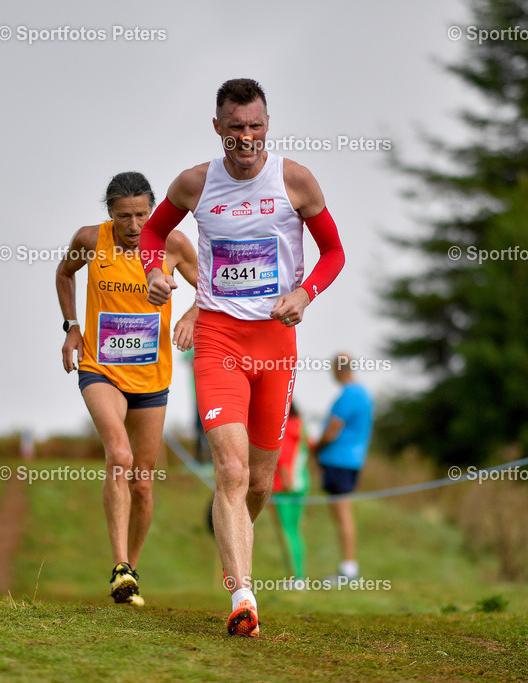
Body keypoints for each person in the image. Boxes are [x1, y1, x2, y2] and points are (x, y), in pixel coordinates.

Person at [140, 78, 345, 637]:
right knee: (228, 470)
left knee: (259, 483)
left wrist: (305, 293)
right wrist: (156, 275)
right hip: (220, 339)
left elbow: (334, 252)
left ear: (267, 125)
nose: (246, 138)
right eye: (235, 128)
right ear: (217, 128)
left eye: (255, 126)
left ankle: (234, 550)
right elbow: (153, 234)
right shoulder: (194, 183)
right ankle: (244, 597)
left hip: (277, 343)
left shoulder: (295, 180)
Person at [57, 171, 199, 607]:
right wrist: (72, 327)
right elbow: (65, 275)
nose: (135, 226)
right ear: (110, 214)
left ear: (152, 210)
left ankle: (129, 576)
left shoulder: (172, 244)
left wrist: (192, 315)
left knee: (142, 482)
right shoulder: (89, 239)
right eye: (124, 217)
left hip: (152, 378)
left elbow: (212, 288)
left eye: (142, 215)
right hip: (100, 369)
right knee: (118, 456)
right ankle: (118, 563)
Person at [312, 353, 374, 582]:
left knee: (343, 515)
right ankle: (348, 567)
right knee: (342, 515)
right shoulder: (363, 394)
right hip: (351, 460)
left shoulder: (350, 394)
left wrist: (314, 449)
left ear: (339, 369)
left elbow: (331, 431)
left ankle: (348, 569)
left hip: (339, 461)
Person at [271, 403, 310, 582]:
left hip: (283, 487)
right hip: (301, 484)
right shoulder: (301, 426)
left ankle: (295, 577)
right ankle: (298, 575)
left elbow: (283, 454)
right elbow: (308, 447)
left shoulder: (283, 426)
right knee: (295, 531)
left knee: (286, 532)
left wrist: (286, 478)